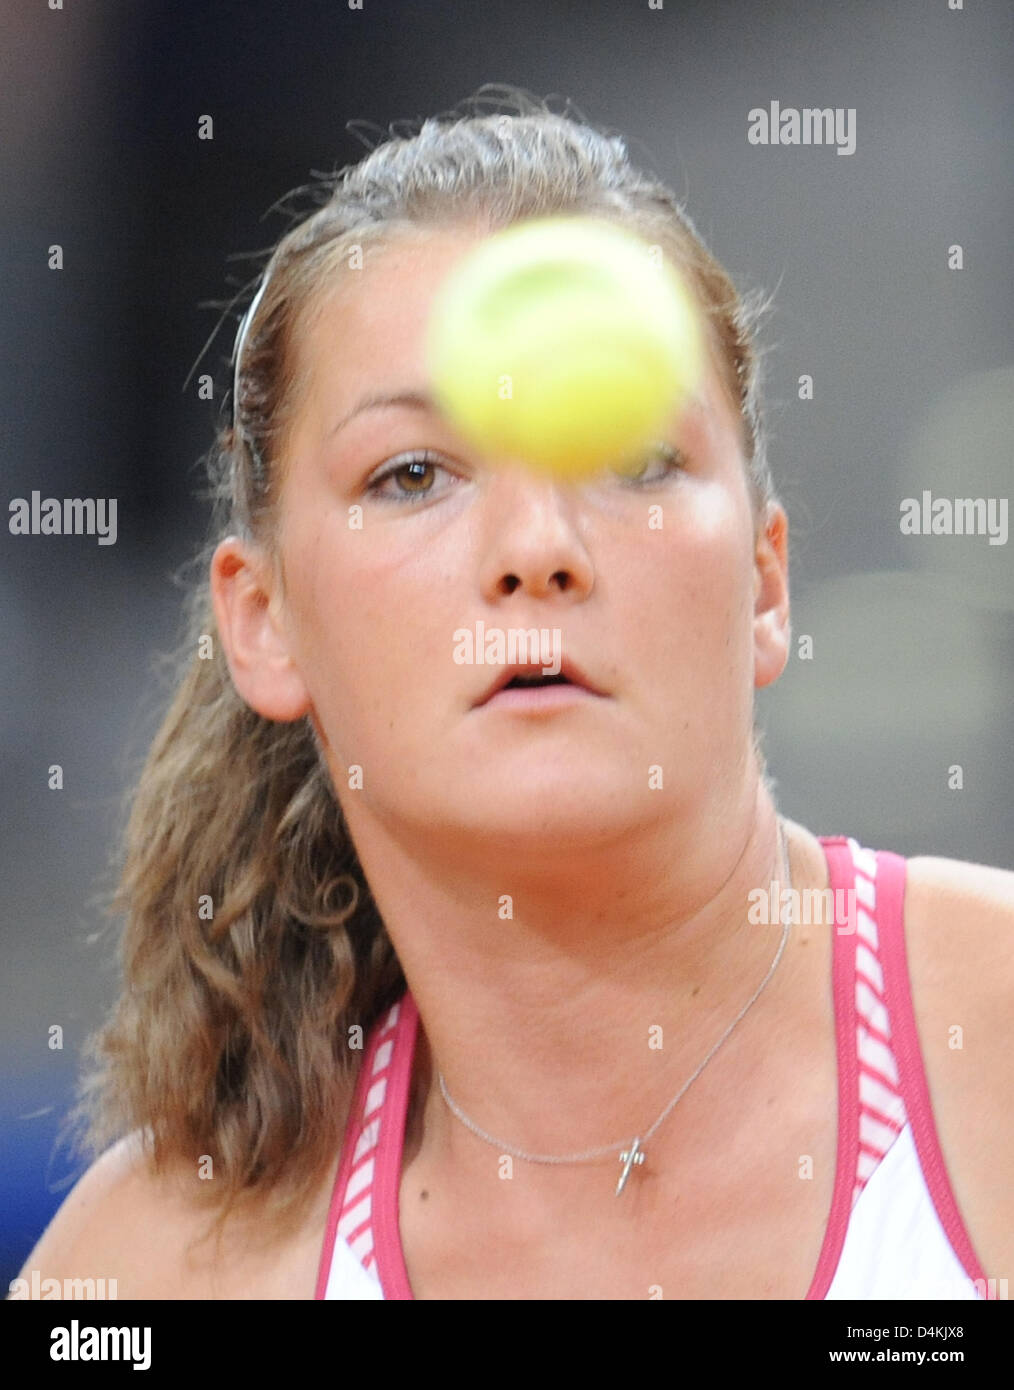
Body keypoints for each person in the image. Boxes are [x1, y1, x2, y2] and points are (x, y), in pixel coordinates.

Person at [16, 87, 1013, 1300]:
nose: (535, 546)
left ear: (764, 579)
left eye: (631, 454)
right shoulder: (148, 1277)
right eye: (414, 473)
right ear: (264, 622)